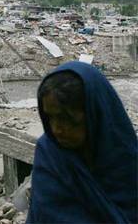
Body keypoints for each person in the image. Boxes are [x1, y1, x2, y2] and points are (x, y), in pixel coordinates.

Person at [27, 61, 137, 223]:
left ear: (95, 114)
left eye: (66, 119)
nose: (56, 129)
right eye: (50, 117)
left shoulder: (125, 159)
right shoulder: (50, 156)